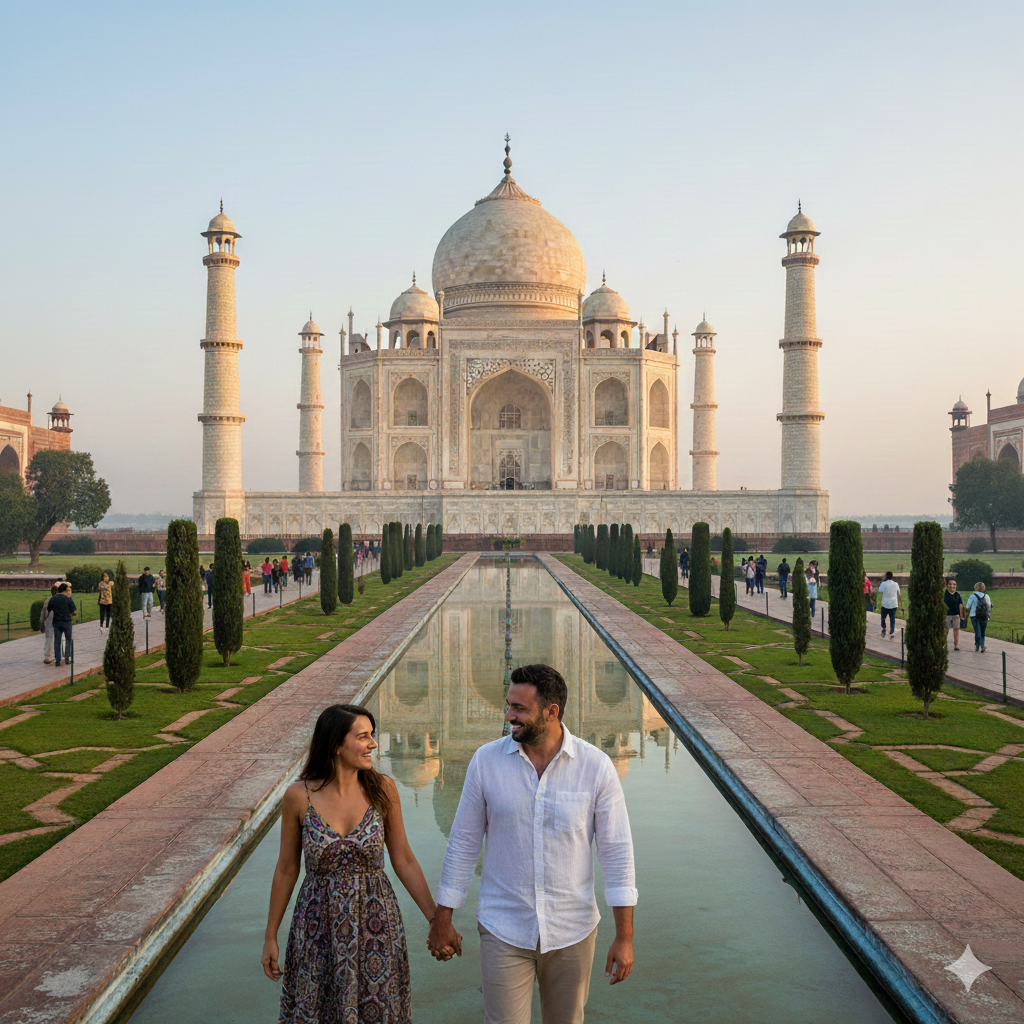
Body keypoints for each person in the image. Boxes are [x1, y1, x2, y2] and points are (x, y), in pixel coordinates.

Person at [430, 664, 637, 1024]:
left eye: (519, 709)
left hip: (571, 928)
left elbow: (617, 853)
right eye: (509, 705)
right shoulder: (486, 762)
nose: (509, 715)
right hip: (504, 925)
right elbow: (463, 843)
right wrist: (443, 917)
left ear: (551, 712)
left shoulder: (595, 766)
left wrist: (625, 936)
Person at [262, 704, 440, 1023]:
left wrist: (435, 919)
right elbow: (287, 869)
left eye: (372, 735)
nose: (373, 743)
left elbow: (404, 859)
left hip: (376, 924)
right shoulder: (299, 797)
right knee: (318, 1009)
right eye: (363, 737)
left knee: (378, 1008)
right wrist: (270, 935)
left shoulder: (383, 790)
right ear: (335, 744)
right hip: (316, 927)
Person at [49, 583, 77, 668]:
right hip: (67, 621)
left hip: (57, 622)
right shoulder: (68, 599)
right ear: (65, 590)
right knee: (68, 640)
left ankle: (58, 660)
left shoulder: (53, 599)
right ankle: (67, 659)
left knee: (57, 641)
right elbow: (74, 612)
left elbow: (49, 609)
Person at [966, 582, 992, 653]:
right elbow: (989, 606)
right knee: (982, 632)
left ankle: (979, 646)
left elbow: (968, 606)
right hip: (984, 616)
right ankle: (980, 645)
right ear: (983, 588)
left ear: (975, 587)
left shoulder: (972, 596)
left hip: (974, 615)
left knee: (977, 631)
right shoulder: (987, 596)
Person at [943, 577, 965, 652]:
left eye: (954, 584)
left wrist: (962, 616)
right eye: (950, 584)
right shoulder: (945, 594)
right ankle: (943, 645)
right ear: (947, 585)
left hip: (956, 615)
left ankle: (956, 645)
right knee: (945, 630)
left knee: (956, 630)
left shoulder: (957, 595)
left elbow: (961, 605)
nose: (952, 586)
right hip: (947, 615)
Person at [878, 570, 901, 639]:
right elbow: (899, 592)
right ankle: (892, 631)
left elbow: (880, 590)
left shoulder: (884, 584)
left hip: (885, 603)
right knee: (892, 618)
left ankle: (884, 627)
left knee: (883, 617)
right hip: (893, 604)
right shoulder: (896, 584)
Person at [41, 583, 58, 664]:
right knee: (52, 639)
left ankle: (48, 656)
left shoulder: (48, 600)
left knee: (49, 639)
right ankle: (49, 656)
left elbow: (43, 612)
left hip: (48, 622)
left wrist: (41, 623)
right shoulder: (57, 600)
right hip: (54, 622)